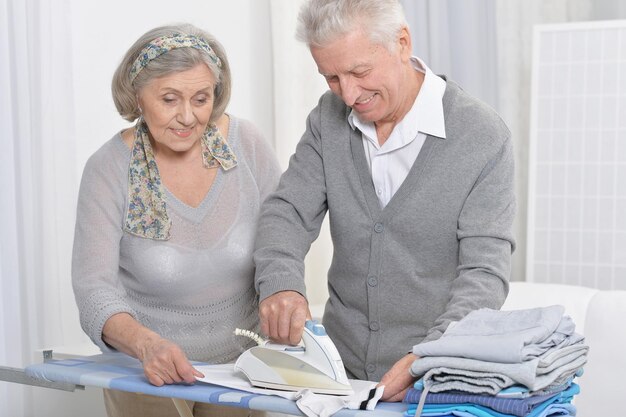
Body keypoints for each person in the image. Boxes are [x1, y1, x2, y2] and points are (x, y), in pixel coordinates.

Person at [253, 0, 516, 403]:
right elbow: (287, 211)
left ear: (402, 42)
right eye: (332, 78)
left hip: (431, 380)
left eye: (359, 72)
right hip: (339, 379)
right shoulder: (328, 118)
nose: (349, 93)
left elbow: (484, 273)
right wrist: (280, 284)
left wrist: (425, 359)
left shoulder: (481, 135)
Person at [72, 23, 280, 416]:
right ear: (138, 96)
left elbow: (283, 240)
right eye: (169, 99)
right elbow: (93, 289)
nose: (187, 117)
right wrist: (147, 345)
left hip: (242, 371)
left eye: (201, 99)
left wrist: (285, 295)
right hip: (145, 370)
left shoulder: (247, 144)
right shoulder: (107, 169)